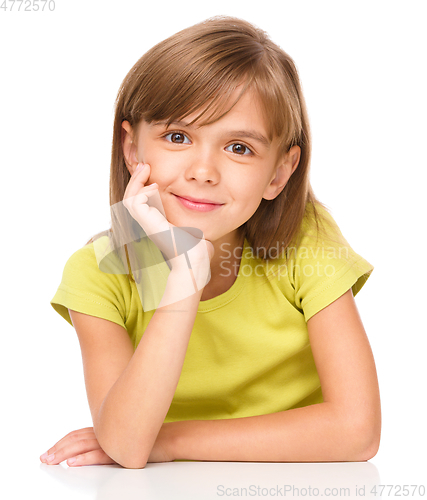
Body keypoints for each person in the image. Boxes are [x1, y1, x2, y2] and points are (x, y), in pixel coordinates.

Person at [40, 16, 381, 469]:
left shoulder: (306, 242)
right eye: (178, 137)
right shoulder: (97, 274)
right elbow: (125, 445)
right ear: (131, 150)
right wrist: (182, 281)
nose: (204, 171)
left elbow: (357, 433)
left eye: (239, 147)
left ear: (279, 172)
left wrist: (168, 442)